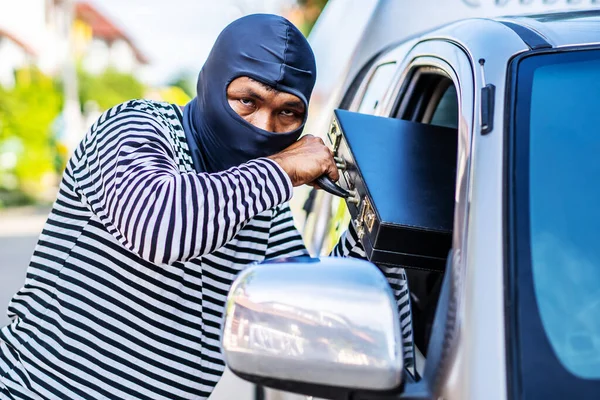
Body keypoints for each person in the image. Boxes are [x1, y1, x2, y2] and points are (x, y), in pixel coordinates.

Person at [0, 14, 411, 400]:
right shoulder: (135, 127)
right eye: (247, 100)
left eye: (288, 112)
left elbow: (313, 312)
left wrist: (376, 222)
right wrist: (282, 168)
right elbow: (159, 226)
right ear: (211, 83)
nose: (264, 127)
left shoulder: (260, 204)